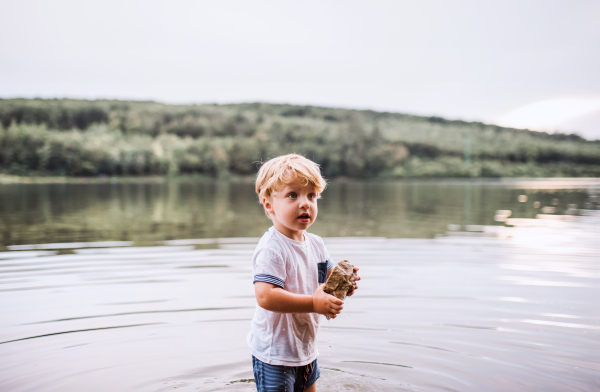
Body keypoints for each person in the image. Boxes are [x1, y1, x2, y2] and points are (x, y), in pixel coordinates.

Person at [248, 154, 360, 392]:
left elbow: (329, 280)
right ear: (269, 205)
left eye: (311, 196)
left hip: (305, 349)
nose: (305, 203)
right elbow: (265, 296)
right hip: (274, 355)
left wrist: (345, 285)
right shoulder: (272, 248)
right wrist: (313, 303)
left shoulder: (316, 244)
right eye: (292, 195)